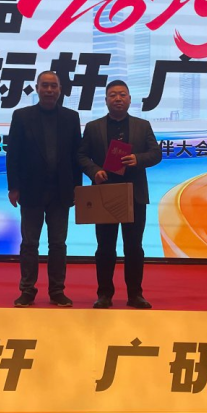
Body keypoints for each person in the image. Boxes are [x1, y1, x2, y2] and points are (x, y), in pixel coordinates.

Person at [78, 80, 162, 309]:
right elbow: (81, 156)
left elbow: (156, 154)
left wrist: (138, 159)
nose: (118, 98)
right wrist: (94, 171)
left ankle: (135, 295)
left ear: (130, 99)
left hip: (134, 195)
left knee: (134, 247)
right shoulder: (93, 127)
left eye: (122, 94)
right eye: (113, 95)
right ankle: (104, 294)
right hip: (104, 193)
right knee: (105, 247)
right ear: (106, 100)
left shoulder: (142, 126)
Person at [6, 71, 82, 308]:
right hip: (31, 191)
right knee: (30, 243)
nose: (49, 90)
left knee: (58, 244)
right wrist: (13, 187)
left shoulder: (71, 117)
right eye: (45, 86)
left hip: (61, 192)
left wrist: (78, 188)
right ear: (37, 88)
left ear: (60, 90)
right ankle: (27, 290)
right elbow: (13, 154)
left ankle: (57, 291)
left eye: (53, 86)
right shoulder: (22, 116)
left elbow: (76, 156)